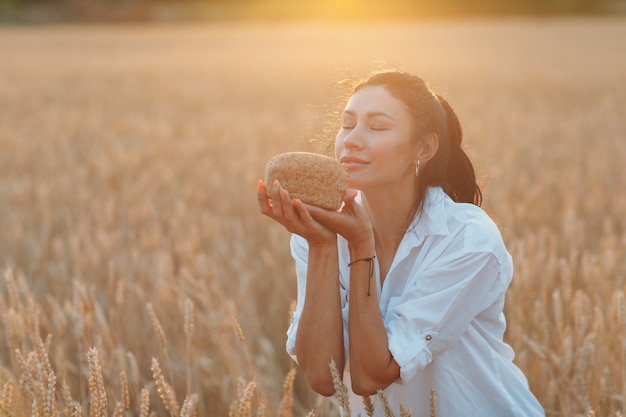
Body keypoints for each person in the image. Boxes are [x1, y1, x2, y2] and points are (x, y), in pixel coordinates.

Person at [257, 71, 544, 417]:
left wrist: (362, 247)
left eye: (376, 127)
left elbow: (370, 376)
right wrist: (321, 248)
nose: (351, 140)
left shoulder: (466, 239)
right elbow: (321, 376)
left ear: (424, 148)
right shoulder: (319, 233)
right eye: (347, 125)